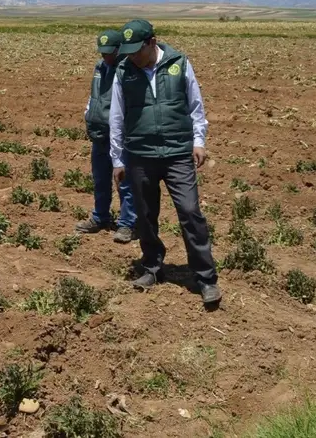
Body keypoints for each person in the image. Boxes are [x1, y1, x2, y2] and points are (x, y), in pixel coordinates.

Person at [110, 19, 220, 306]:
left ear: (153, 42)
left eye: (137, 50)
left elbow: (196, 104)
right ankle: (152, 267)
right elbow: (117, 117)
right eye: (128, 50)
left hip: (177, 152)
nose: (132, 56)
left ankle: (205, 278)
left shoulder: (179, 63)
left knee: (190, 211)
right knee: (145, 216)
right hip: (140, 155)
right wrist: (118, 158)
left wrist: (199, 141)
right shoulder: (124, 71)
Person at [76, 29, 137, 243]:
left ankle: (127, 224)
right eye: (102, 52)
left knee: (124, 180)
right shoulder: (100, 68)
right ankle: (100, 216)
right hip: (99, 133)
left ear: (120, 49)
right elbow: (95, 96)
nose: (105, 56)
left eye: (109, 52)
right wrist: (88, 112)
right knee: (100, 179)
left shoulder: (127, 69)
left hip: (120, 136)